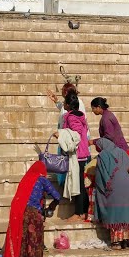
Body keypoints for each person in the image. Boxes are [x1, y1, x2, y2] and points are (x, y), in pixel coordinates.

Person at [3, 161, 60, 257]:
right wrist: (52, 206)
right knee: (33, 247)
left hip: (19, 215)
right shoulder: (42, 180)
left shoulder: (25, 180)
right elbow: (57, 196)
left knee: (20, 247)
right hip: (33, 216)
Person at [93, 138, 129, 249]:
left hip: (116, 184)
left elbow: (101, 177)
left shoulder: (102, 155)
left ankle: (117, 242)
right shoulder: (122, 152)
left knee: (116, 211)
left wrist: (102, 190)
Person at [55, 91, 90, 221]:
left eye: (64, 102)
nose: (63, 104)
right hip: (81, 153)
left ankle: (79, 212)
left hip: (77, 154)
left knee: (79, 184)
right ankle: (84, 211)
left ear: (69, 105)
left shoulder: (71, 117)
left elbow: (76, 134)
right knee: (80, 182)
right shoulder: (80, 116)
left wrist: (61, 135)